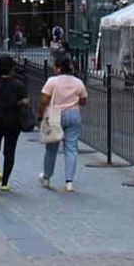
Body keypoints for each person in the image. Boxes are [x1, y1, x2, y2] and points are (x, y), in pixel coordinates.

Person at [37, 52, 87, 191]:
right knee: (71, 148)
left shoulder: (52, 81)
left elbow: (44, 100)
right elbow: (83, 101)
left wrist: (40, 116)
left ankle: (47, 177)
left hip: (55, 115)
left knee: (51, 148)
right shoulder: (78, 83)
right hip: (73, 114)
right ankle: (69, 182)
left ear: (58, 68)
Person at [0, 54, 29, 191]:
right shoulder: (17, 84)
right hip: (13, 121)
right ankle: (5, 182)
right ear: (12, 68)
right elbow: (25, 101)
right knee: (9, 151)